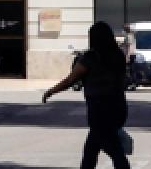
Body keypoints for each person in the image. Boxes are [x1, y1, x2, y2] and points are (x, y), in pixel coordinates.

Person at [41, 21, 131, 169]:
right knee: (93, 147)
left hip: (99, 110)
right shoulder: (118, 56)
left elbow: (70, 80)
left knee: (112, 148)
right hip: (118, 107)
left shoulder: (90, 58)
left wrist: (51, 91)